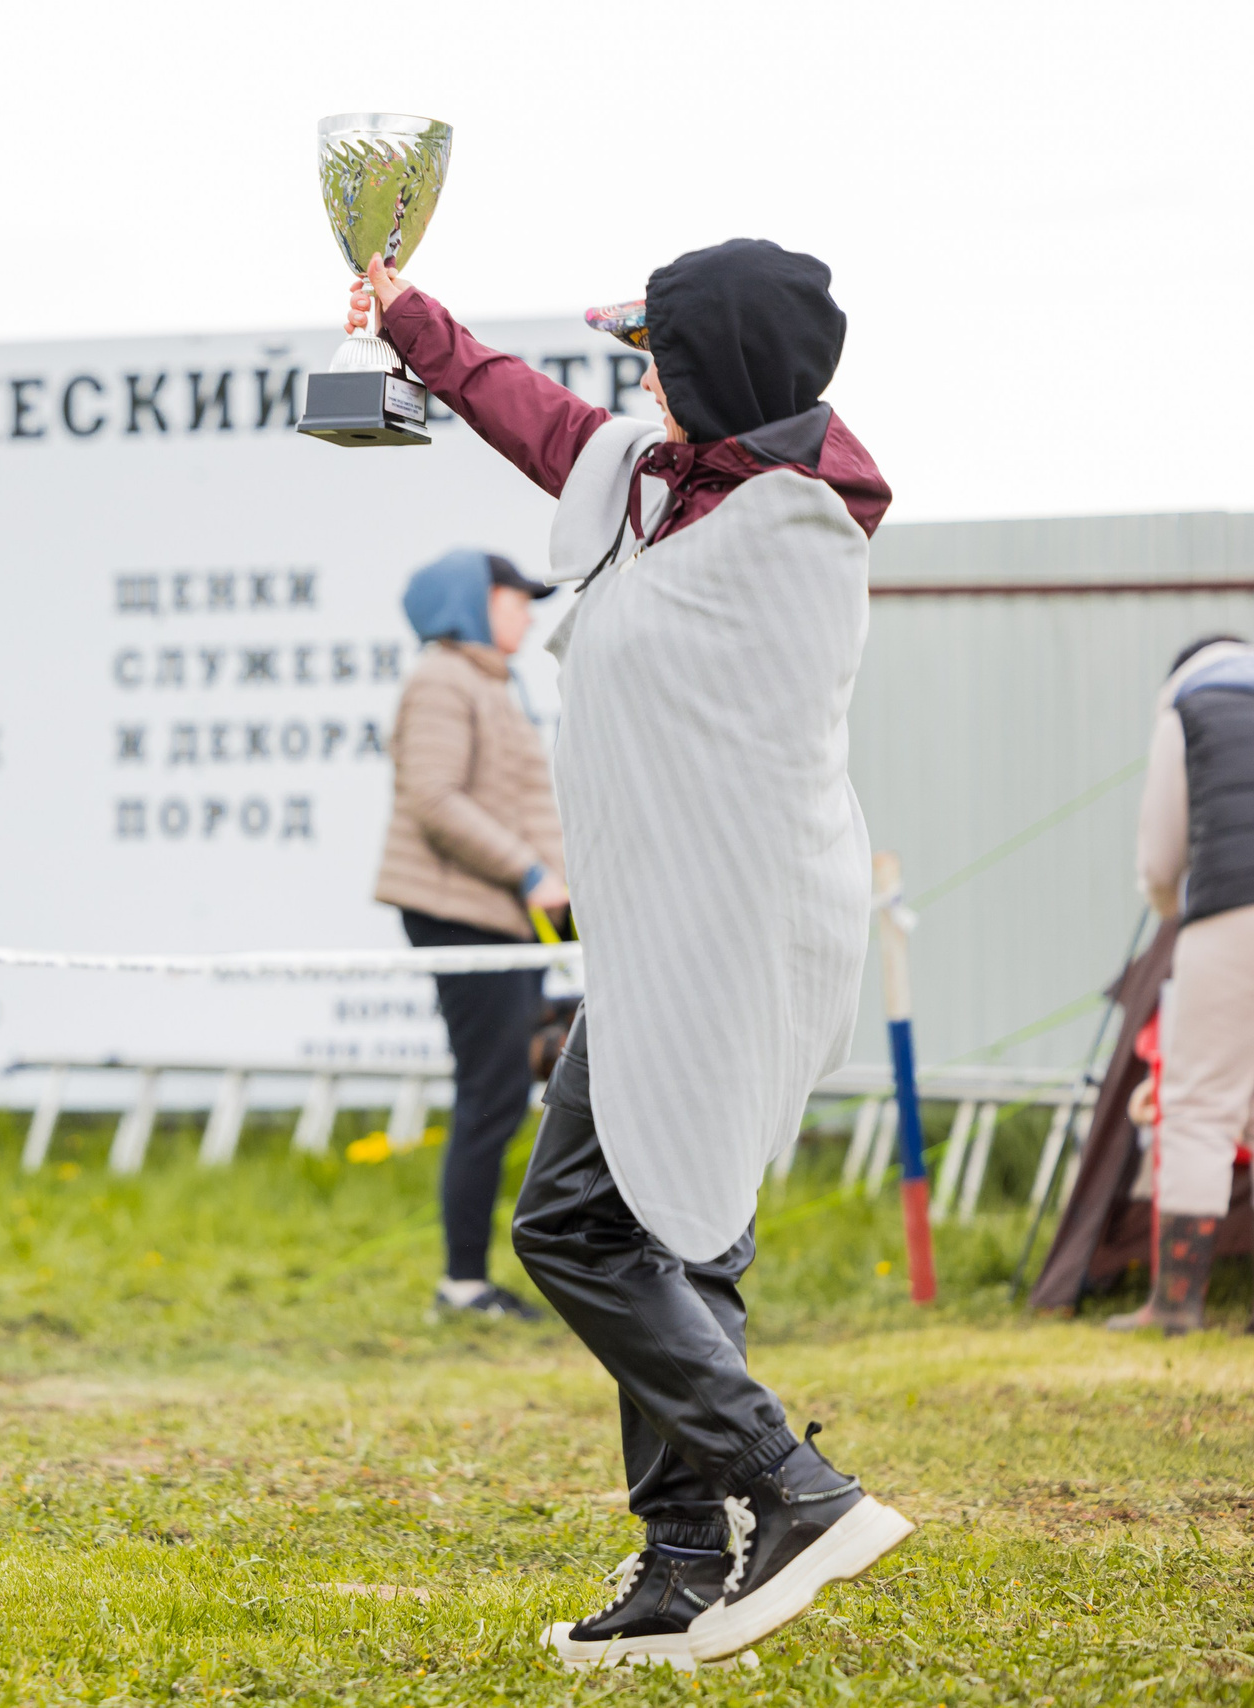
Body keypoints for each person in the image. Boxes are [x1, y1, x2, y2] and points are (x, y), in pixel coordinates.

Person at [352, 239, 912, 1669]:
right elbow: (533, 415)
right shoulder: (676, 490)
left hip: (734, 926)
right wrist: (411, 320)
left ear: (719, 368)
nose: (637, 379)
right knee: (670, 1230)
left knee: (574, 1226)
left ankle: (793, 1486)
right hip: (679, 924)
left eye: (658, 354)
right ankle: (680, 1563)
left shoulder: (794, 527)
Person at [377, 548, 567, 1320]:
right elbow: (434, 799)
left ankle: (479, 1277)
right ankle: (462, 1286)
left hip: (505, 918)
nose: (528, 611)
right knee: (489, 1091)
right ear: (471, 601)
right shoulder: (442, 679)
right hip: (463, 913)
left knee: (505, 1084)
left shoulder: (487, 682)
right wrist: (529, 874)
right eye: (515, 597)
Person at [1112, 633, 1254, 1333]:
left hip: (1230, 909)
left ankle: (1175, 1306)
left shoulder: (1190, 698)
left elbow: (1163, 855)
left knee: (1199, 1108)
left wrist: (1169, 906)